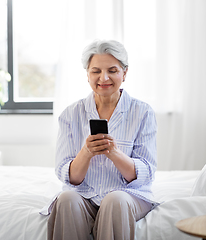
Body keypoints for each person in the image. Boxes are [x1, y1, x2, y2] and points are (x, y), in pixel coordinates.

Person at [46, 40, 158, 240]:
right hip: (85, 195)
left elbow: (147, 172)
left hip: (127, 196)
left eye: (112, 70)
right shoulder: (71, 114)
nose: (103, 78)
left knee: (115, 200)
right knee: (67, 198)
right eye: (96, 71)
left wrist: (114, 153)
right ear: (87, 74)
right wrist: (86, 153)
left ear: (124, 73)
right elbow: (67, 176)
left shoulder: (143, 112)